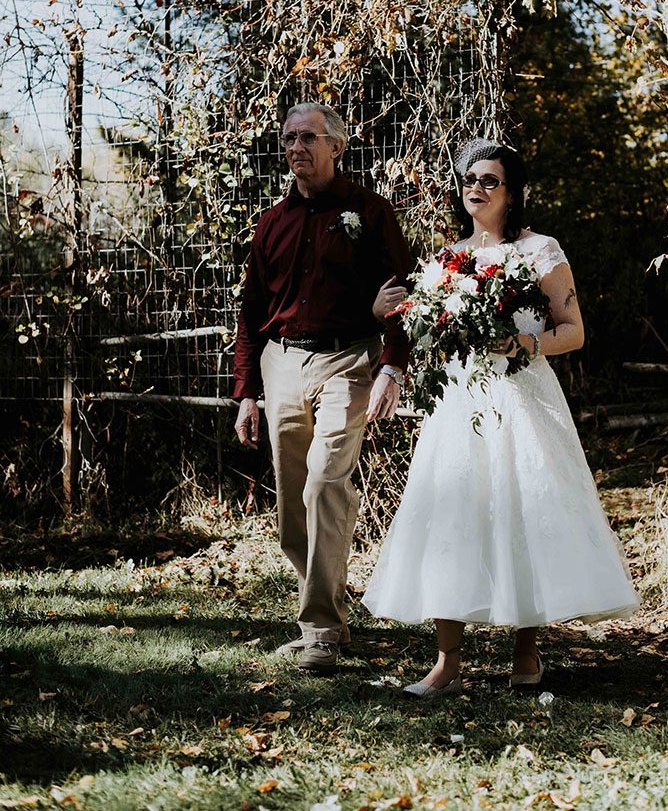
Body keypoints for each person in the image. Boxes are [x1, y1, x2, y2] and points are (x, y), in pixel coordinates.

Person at [362, 138, 639, 696]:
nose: (476, 189)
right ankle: (446, 664)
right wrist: (387, 316)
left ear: (512, 193)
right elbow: (422, 333)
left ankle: (527, 654)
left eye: (490, 180)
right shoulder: (447, 259)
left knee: (523, 510)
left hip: (521, 394)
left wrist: (524, 345)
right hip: (461, 402)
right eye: (469, 179)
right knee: (453, 515)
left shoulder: (541, 250)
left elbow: (574, 331)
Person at [233, 103, 410, 674]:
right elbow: (251, 310)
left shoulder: (370, 212)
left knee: (325, 482)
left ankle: (321, 631)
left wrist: (393, 365)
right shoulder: (272, 223)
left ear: (337, 146)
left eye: (308, 138)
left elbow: (402, 292)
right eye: (288, 139)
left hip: (350, 361)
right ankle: (326, 611)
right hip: (281, 363)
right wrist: (246, 392)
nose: (295, 148)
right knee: (291, 507)